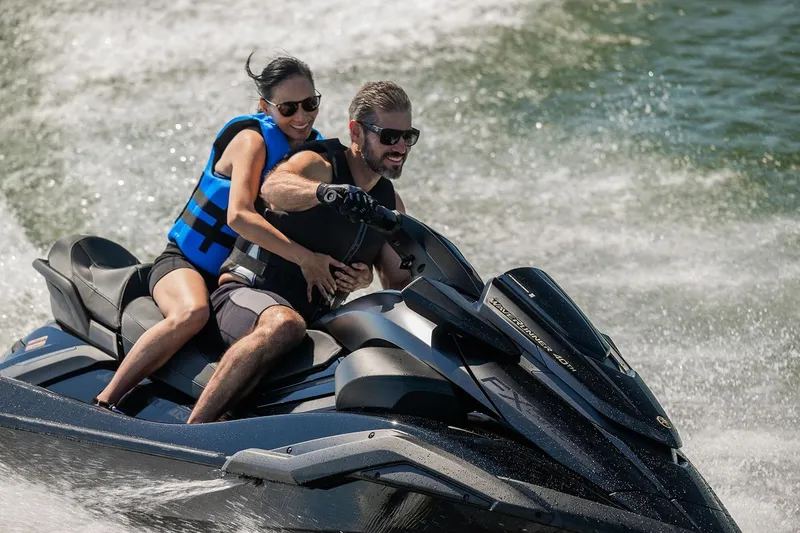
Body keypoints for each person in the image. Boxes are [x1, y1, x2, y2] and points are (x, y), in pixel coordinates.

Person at [93, 55, 323, 410]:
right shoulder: (252, 141)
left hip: (237, 284)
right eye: (289, 108)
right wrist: (305, 258)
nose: (302, 117)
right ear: (266, 106)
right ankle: (105, 401)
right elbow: (239, 217)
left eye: (310, 104)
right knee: (192, 313)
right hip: (184, 263)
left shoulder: (313, 155)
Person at [187, 81, 420, 423]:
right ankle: (194, 431)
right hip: (247, 293)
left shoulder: (389, 204)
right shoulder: (321, 163)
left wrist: (364, 277)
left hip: (312, 320)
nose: (400, 146)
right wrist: (327, 193)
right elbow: (275, 188)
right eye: (388, 136)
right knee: (284, 324)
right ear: (356, 132)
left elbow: (399, 280)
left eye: (408, 136)